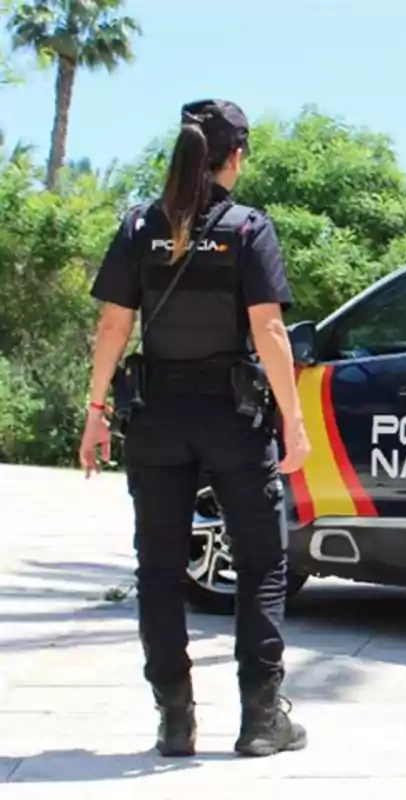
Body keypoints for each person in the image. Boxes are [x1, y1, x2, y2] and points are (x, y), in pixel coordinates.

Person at [78, 99, 312, 758]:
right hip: (234, 421)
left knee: (157, 571)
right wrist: (294, 423)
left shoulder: (138, 227)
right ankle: (262, 720)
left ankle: (175, 719)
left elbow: (113, 328)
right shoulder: (247, 230)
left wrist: (96, 412)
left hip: (155, 420)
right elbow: (268, 330)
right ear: (235, 156)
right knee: (262, 567)